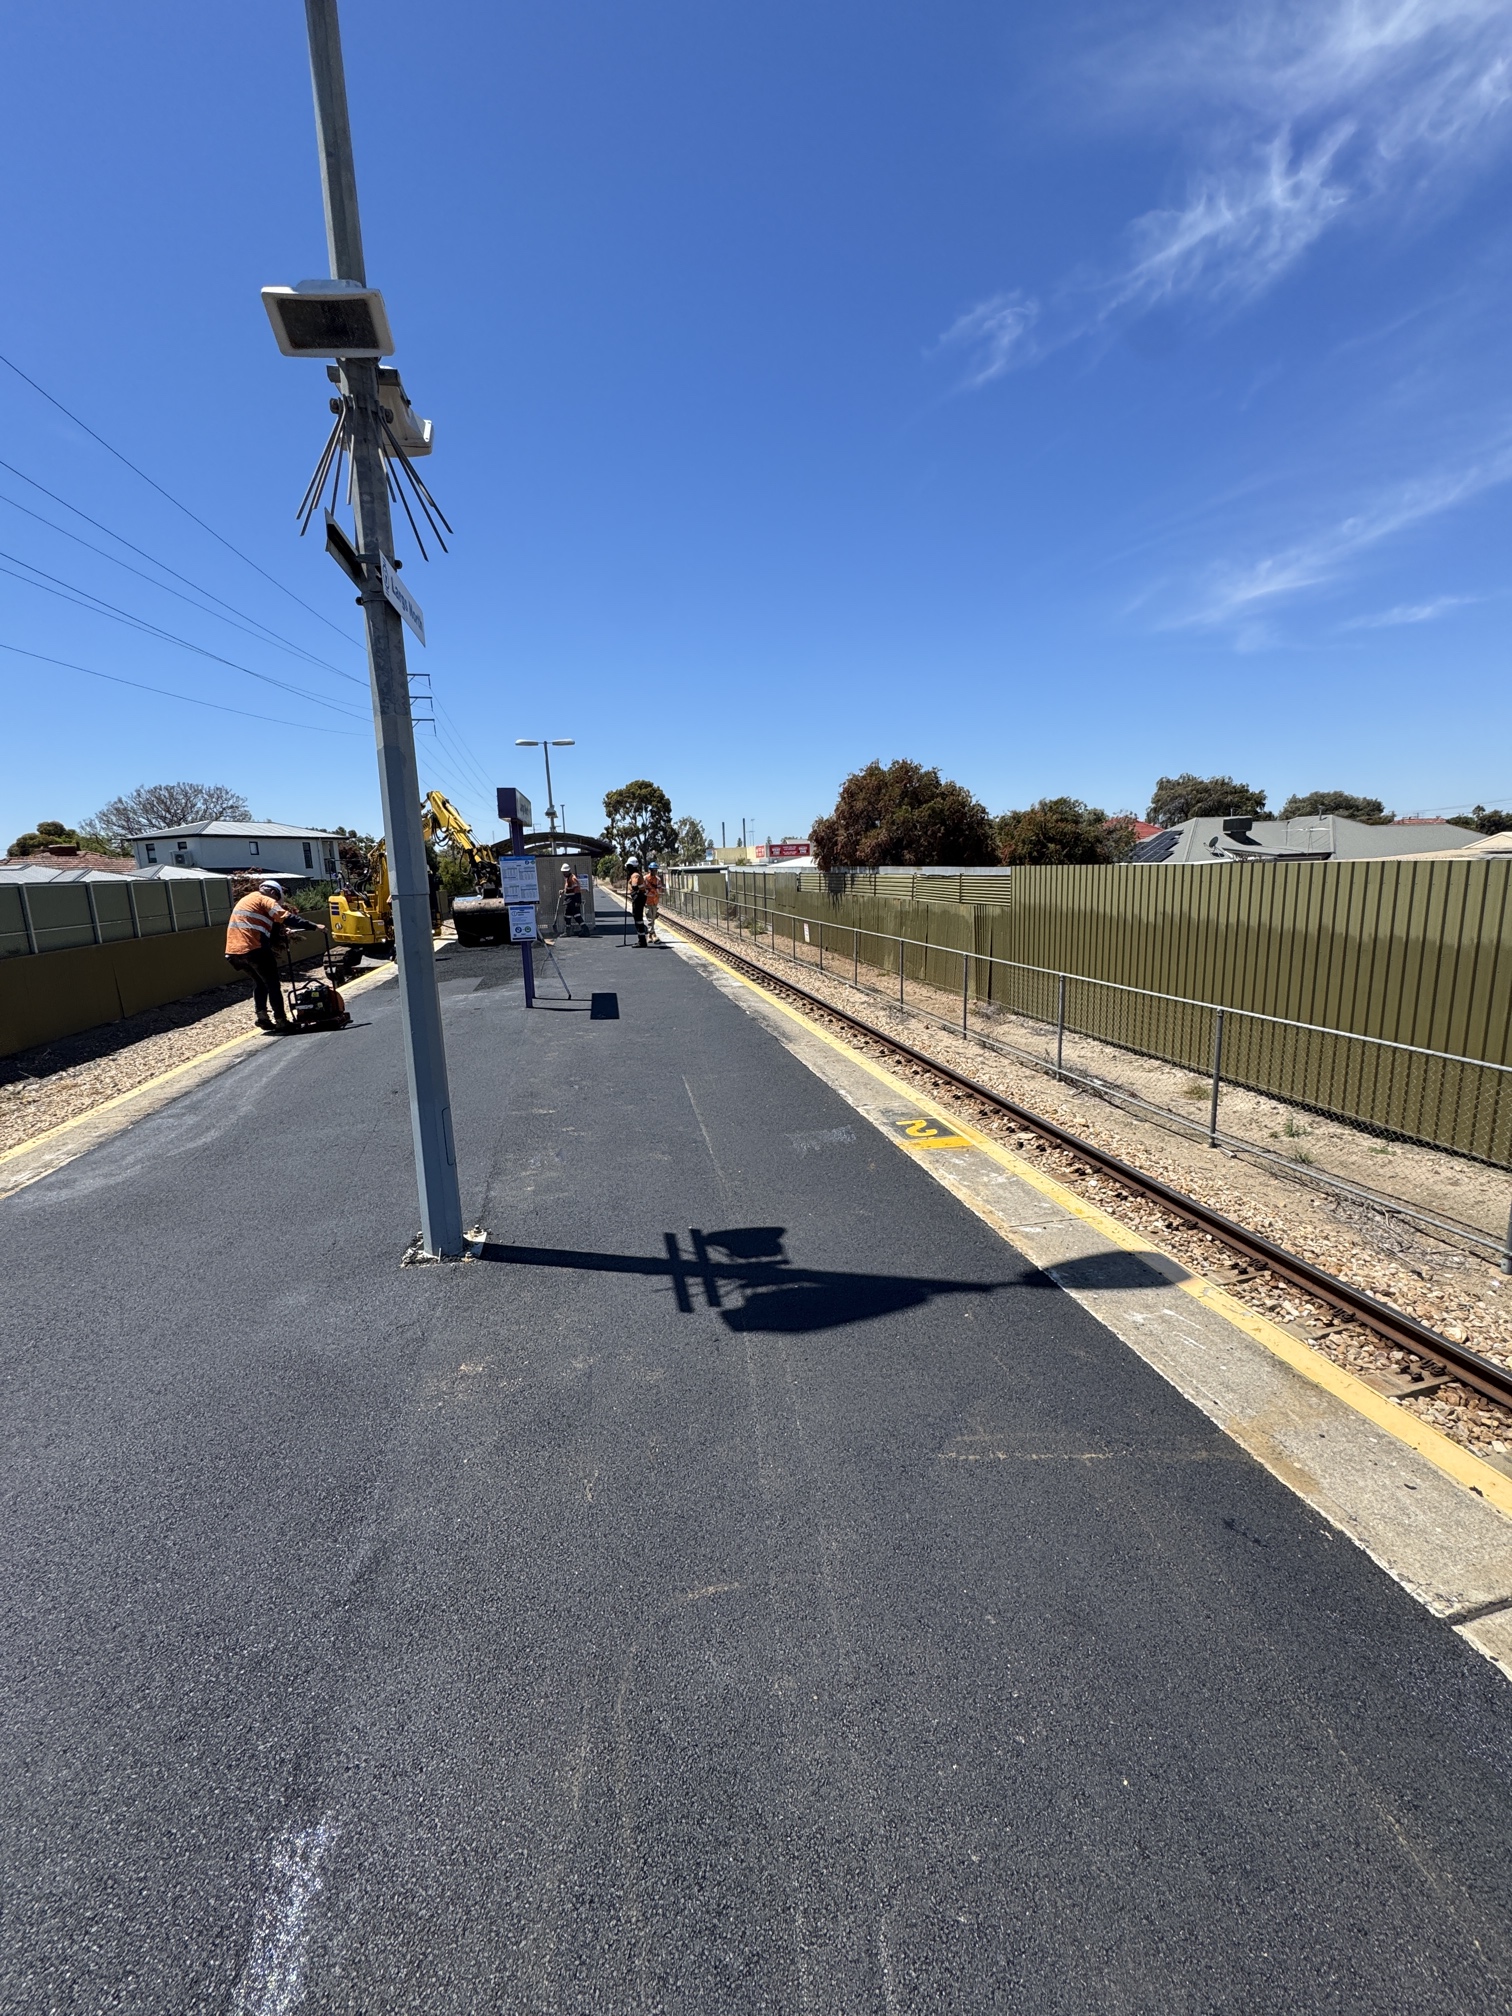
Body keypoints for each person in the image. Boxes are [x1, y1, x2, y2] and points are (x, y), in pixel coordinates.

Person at [225, 878, 306, 1031]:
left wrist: (283, 934)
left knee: (260, 982)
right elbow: (286, 917)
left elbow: (268, 931)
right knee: (273, 984)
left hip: (234, 953)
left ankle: (262, 1017)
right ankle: (281, 1020)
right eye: (276, 899)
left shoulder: (247, 901)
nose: (275, 902)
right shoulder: (265, 899)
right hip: (254, 950)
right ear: (273, 892)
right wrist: (314, 926)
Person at [624, 857, 648, 946]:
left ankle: (642, 941)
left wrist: (635, 891)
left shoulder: (634, 875)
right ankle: (641, 940)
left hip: (638, 898)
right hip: (640, 897)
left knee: (638, 918)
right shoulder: (637, 874)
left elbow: (634, 885)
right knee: (638, 918)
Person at [561, 861, 584, 935]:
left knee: (576, 915)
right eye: (563, 872)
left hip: (573, 900)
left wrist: (578, 901)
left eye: (564, 872)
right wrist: (563, 891)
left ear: (568, 871)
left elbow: (577, 890)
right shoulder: (568, 878)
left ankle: (585, 930)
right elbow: (569, 889)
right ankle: (568, 931)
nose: (563, 874)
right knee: (567, 916)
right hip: (569, 900)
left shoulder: (572, 879)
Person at [644, 860, 663, 944]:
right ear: (650, 870)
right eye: (653, 870)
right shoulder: (645, 879)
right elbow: (644, 890)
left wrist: (652, 890)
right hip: (647, 902)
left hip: (655, 902)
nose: (654, 871)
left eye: (655, 870)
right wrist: (652, 890)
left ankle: (649, 936)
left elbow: (659, 890)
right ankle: (654, 935)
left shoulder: (658, 879)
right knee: (649, 919)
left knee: (652, 920)